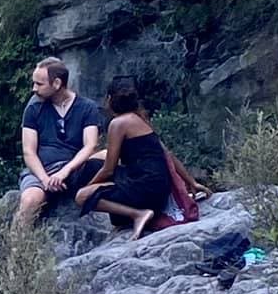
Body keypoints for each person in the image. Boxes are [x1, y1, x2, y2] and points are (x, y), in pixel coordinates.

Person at [75, 78, 193, 239]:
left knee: (82, 197)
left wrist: (90, 187)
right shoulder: (140, 118)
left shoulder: (118, 123)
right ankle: (129, 213)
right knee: (93, 165)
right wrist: (191, 183)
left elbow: (108, 169)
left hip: (146, 189)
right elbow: (168, 155)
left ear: (109, 99)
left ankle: (138, 214)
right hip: (158, 187)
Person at [16, 59, 103, 226]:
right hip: (42, 170)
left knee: (106, 155)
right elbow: (29, 151)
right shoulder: (33, 108)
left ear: (56, 83)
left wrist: (64, 172)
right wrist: (45, 179)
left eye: (39, 84)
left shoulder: (87, 107)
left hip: (74, 168)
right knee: (30, 200)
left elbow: (90, 145)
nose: (34, 89)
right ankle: (14, 246)